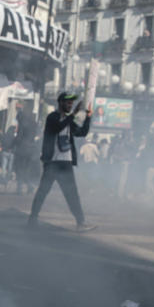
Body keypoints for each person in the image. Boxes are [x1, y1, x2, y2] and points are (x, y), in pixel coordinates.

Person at [27, 92, 96, 232]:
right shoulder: (52, 117)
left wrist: (88, 118)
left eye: (72, 103)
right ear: (60, 103)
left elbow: (81, 132)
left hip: (66, 163)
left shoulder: (70, 120)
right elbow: (58, 127)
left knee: (72, 194)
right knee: (43, 191)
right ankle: (32, 219)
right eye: (68, 102)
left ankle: (80, 222)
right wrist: (72, 115)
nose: (70, 105)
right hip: (52, 162)